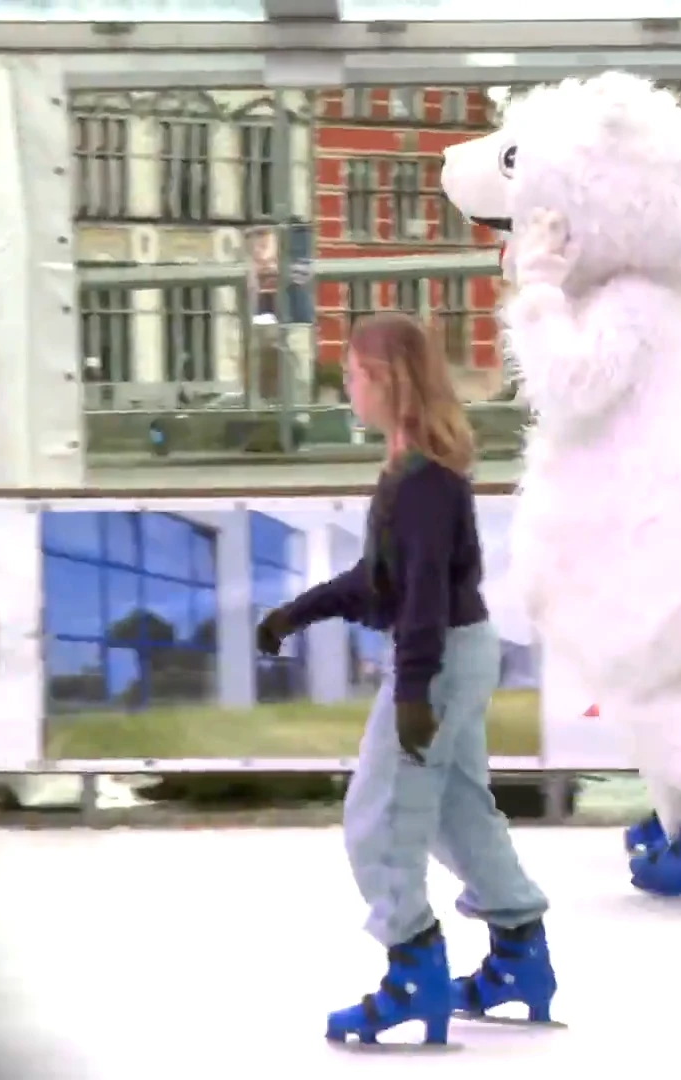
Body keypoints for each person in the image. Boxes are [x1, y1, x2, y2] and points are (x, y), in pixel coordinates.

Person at [255, 312, 555, 1047]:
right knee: (455, 812)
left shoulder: (423, 480)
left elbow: (419, 595)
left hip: (441, 655)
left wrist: (416, 690)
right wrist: (299, 613)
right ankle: (520, 954)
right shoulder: (413, 470)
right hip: (456, 647)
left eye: (355, 374)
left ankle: (411, 973)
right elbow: (380, 580)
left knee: (378, 818)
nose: (347, 387)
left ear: (388, 380)